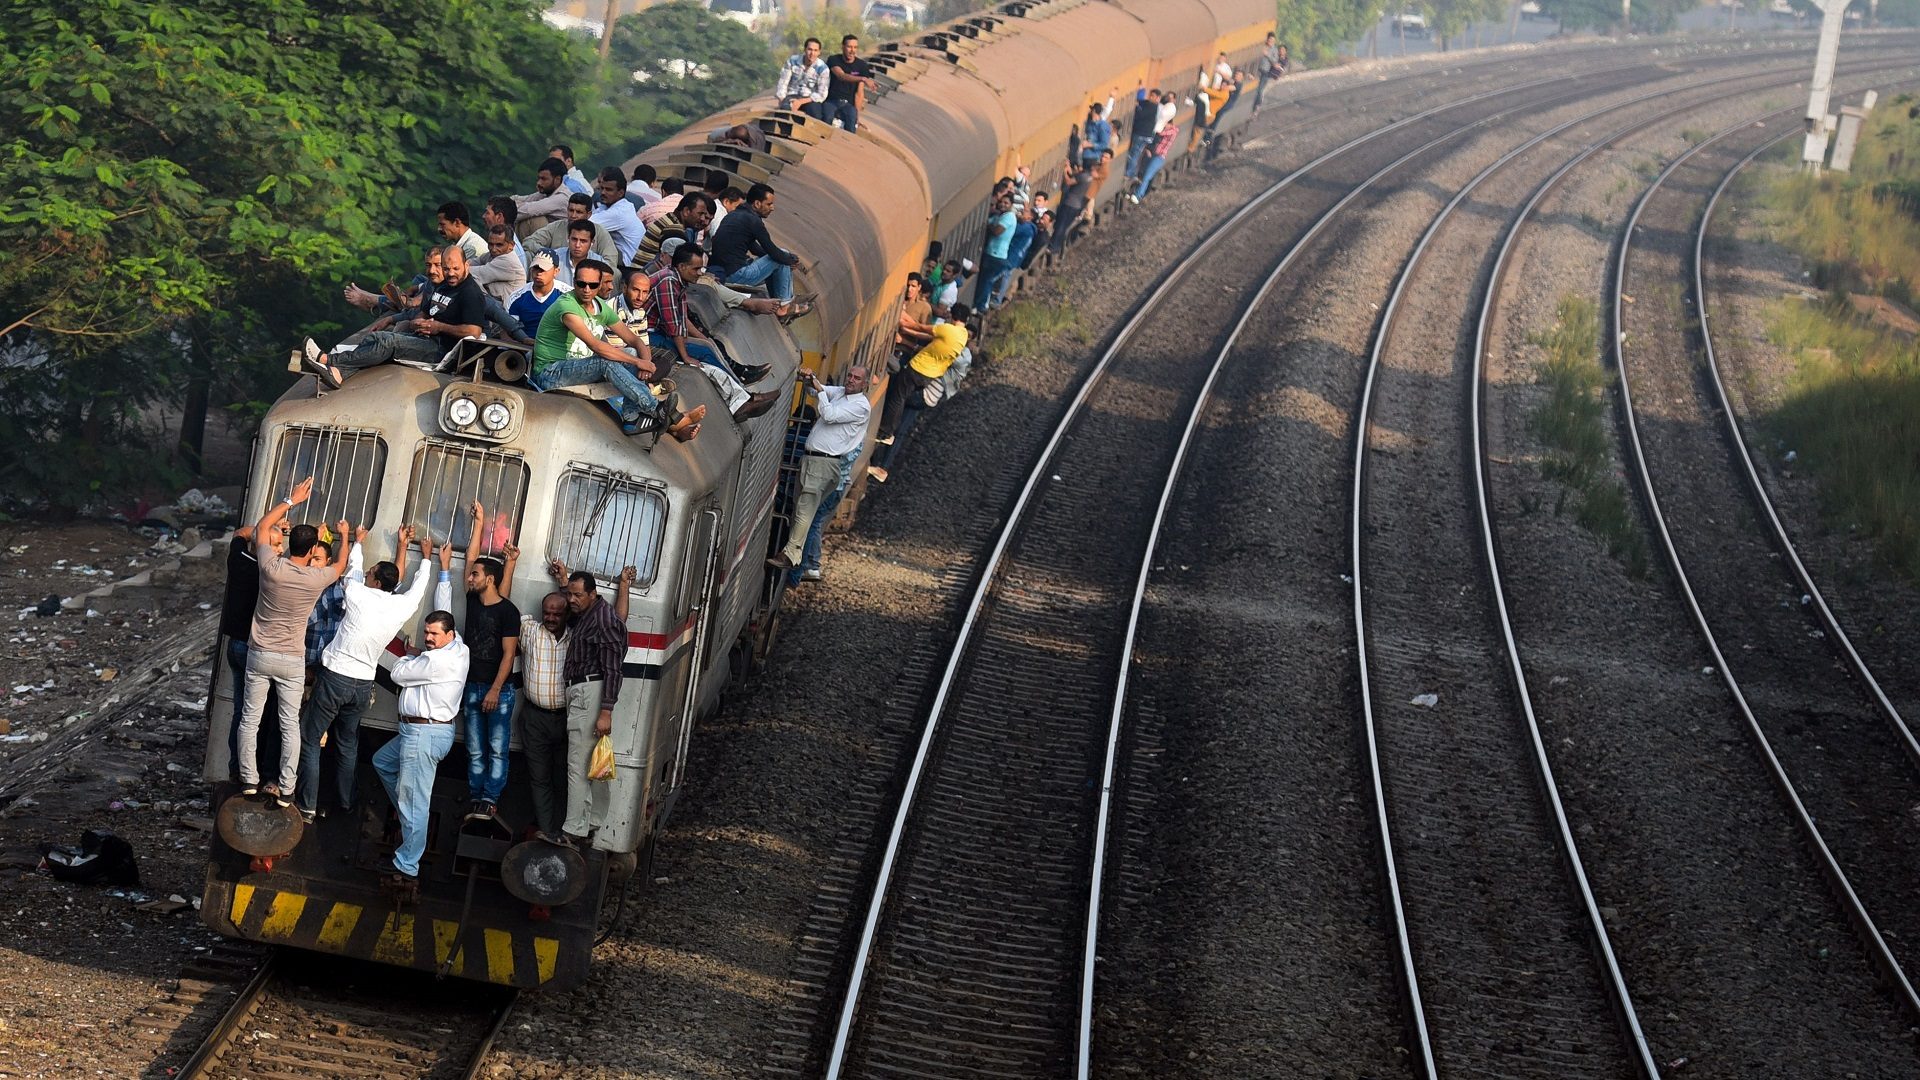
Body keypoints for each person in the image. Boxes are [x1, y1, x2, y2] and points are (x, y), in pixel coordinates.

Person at [296, 525, 435, 822]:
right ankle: (345, 804)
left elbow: (353, 570)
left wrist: (357, 542)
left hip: (335, 678)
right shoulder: (402, 605)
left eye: (371, 572)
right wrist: (425, 559)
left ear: (374, 580)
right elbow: (419, 588)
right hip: (362, 686)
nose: (366, 574)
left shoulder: (358, 593)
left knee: (310, 738)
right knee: (347, 744)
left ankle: (306, 805)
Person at [235, 479, 351, 807]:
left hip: (259, 655)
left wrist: (292, 499)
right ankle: (286, 788)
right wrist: (343, 536)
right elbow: (341, 564)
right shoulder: (319, 577)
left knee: (250, 718)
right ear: (314, 550)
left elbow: (262, 527)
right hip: (292, 661)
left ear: (289, 545)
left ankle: (248, 779)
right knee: (289, 725)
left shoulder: (270, 567)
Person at [531, 259, 705, 441]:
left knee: (631, 355)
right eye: (581, 284)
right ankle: (660, 411)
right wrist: (638, 362)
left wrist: (644, 363)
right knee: (607, 361)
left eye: (592, 285)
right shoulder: (566, 307)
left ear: (599, 285)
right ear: (574, 282)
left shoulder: (599, 305)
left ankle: (631, 419)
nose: (587, 289)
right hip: (551, 372)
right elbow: (597, 346)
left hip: (579, 368)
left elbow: (634, 339)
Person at [374, 600, 468, 881]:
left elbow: (398, 674)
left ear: (449, 635)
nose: (428, 638)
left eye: (434, 634)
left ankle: (407, 864)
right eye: (427, 632)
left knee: (415, 800)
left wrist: (409, 656)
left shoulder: (436, 661)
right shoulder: (459, 648)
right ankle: (412, 817)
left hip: (424, 734)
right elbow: (445, 609)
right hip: (420, 732)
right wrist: (444, 578)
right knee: (382, 763)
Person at [302, 245, 486, 385]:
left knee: (387, 342)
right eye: (446, 269)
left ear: (466, 265)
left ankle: (328, 360)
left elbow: (474, 331)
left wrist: (438, 327)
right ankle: (339, 373)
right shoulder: (445, 285)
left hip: (441, 350)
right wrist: (418, 321)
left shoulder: (470, 293)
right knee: (376, 337)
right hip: (424, 337)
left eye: (455, 269)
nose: (450, 274)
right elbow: (424, 310)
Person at [647, 243, 782, 421]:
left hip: (657, 332)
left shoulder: (676, 280)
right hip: (649, 335)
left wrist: (704, 339)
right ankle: (741, 401)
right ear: (681, 267)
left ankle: (744, 396)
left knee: (709, 348)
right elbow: (674, 325)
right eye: (696, 269)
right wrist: (686, 356)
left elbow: (682, 318)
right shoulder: (668, 282)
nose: (700, 273)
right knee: (702, 356)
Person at [453, 503, 520, 821]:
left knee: (496, 748)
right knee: (475, 748)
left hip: (497, 691)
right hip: (472, 686)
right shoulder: (472, 598)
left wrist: (495, 689)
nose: (470, 577)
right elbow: (470, 557)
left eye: (476, 575)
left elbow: (509, 654)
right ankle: (477, 797)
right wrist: (478, 524)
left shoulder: (508, 611)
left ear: (490, 580)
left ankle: (490, 799)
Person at [552, 566, 628, 844]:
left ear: (593, 594)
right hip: (585, 690)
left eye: (577, 595)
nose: (571, 600)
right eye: (570, 594)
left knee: (578, 763)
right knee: (593, 763)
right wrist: (563, 581)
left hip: (590, 692)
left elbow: (613, 668)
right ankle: (593, 820)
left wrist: (606, 710)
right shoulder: (590, 614)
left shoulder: (603, 620)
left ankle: (573, 829)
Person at [773, 365, 870, 570]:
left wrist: (818, 388)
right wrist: (810, 378)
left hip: (825, 462)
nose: (851, 380)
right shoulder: (841, 393)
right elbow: (815, 390)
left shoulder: (861, 406)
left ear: (865, 384)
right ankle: (794, 553)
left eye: (857, 378)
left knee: (805, 509)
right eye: (850, 375)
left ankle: (791, 555)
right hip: (813, 461)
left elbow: (829, 415)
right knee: (800, 507)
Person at [871, 305, 969, 483]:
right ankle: (882, 455)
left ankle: (885, 433)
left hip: (919, 372)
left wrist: (901, 317)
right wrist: (906, 329)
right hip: (929, 379)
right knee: (899, 402)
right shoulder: (962, 336)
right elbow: (924, 335)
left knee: (897, 397)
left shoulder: (948, 330)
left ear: (953, 316)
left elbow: (920, 328)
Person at [707, 183, 799, 304]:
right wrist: (791, 259)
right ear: (757, 204)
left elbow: (756, 249)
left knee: (781, 258)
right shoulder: (753, 220)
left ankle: (777, 300)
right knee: (782, 255)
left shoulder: (735, 215)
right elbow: (772, 251)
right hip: (736, 276)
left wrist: (786, 259)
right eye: (769, 204)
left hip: (723, 272)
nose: (772, 208)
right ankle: (785, 304)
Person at [525, 192, 619, 268]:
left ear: (589, 214)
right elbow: (529, 242)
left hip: (588, 278)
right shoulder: (556, 226)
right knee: (528, 255)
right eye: (571, 210)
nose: (573, 215)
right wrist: (550, 256)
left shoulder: (600, 232)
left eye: (579, 212)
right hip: (555, 270)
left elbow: (610, 262)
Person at [636, 192, 714, 271]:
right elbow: (678, 269)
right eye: (700, 214)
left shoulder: (671, 219)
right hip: (645, 276)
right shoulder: (674, 230)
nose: (703, 219)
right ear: (686, 211)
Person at [505, 251, 570, 340]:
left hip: (558, 348)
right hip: (523, 347)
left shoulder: (568, 296)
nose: (539, 273)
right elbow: (507, 330)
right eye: (535, 268)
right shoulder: (516, 297)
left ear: (556, 271)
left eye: (543, 269)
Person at [822, 34, 877, 132]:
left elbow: (859, 93)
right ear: (843, 47)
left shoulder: (862, 66)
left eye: (855, 47)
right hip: (831, 101)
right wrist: (863, 79)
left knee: (851, 121)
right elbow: (841, 76)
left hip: (848, 104)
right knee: (826, 118)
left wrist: (857, 116)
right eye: (849, 47)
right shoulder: (834, 60)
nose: (852, 50)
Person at [592, 168, 645, 266]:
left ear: (620, 193)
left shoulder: (620, 212)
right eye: (602, 188)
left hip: (628, 265)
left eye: (608, 190)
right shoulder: (607, 205)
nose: (603, 193)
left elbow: (584, 225)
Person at [975, 193, 1016, 312]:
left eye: (1006, 203)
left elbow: (997, 231)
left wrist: (990, 225)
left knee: (986, 281)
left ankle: (981, 306)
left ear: (1011, 205)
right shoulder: (1000, 216)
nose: (1002, 204)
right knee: (985, 280)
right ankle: (981, 304)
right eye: (1001, 202)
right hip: (993, 254)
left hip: (996, 255)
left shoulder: (1008, 217)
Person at [470, 223, 526, 303]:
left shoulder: (508, 261)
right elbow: (471, 263)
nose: (493, 249)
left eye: (499, 245)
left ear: (511, 245)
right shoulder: (492, 255)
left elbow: (474, 273)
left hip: (507, 311)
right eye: (490, 244)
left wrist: (453, 267)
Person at [777, 37, 831, 115]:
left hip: (810, 98)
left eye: (815, 50)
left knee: (816, 114)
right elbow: (783, 82)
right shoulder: (792, 61)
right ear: (805, 50)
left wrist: (800, 102)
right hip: (792, 95)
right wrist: (782, 99)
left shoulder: (823, 68)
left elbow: (822, 94)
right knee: (784, 111)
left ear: (819, 52)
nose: (812, 53)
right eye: (810, 49)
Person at [513, 156, 575, 223]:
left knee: (536, 220)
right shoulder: (546, 192)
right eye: (539, 178)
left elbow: (529, 210)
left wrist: (507, 207)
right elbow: (520, 199)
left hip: (565, 233)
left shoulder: (562, 198)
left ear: (557, 179)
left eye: (544, 179)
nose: (539, 183)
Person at [1133, 122, 1180, 203]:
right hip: (1154, 155)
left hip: (1159, 157)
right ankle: (1139, 192)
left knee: (1147, 175)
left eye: (1165, 124)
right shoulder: (1169, 130)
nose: (1164, 126)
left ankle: (1138, 195)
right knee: (1145, 174)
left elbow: (1160, 133)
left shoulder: (1173, 131)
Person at [1123, 90, 1162, 182]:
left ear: (1157, 98)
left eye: (1153, 96)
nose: (1150, 97)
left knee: (1134, 154)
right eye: (1150, 95)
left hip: (1142, 134)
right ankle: (1132, 173)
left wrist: (1137, 107)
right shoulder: (1150, 104)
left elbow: (1141, 114)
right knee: (1136, 153)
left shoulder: (1153, 107)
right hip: (1144, 134)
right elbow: (1142, 102)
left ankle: (1129, 174)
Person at [1253, 35, 1287, 116]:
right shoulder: (1265, 48)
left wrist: (1267, 55)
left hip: (1269, 74)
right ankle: (1255, 107)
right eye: (1280, 50)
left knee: (1261, 91)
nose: (1281, 51)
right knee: (1259, 90)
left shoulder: (1279, 55)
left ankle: (1257, 107)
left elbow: (1276, 64)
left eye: (1283, 50)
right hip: (1262, 72)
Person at [1080, 101, 1113, 166]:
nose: (1089, 112)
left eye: (1091, 110)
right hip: (1086, 156)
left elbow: (1104, 144)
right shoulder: (1090, 123)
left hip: (1094, 158)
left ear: (1094, 111)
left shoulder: (1102, 126)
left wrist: (1089, 145)